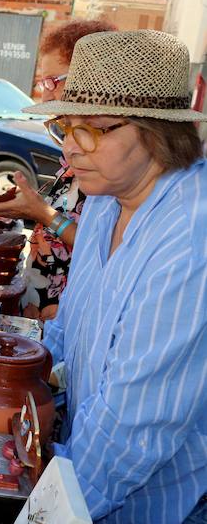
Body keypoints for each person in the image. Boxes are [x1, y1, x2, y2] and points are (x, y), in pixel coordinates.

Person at [20, 30, 206, 522]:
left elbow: (135, 426)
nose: (70, 150)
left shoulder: (190, 232)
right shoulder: (105, 201)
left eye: (92, 130)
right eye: (66, 127)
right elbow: (70, 330)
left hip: (160, 504)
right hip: (87, 471)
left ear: (155, 131)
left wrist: (49, 513)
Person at [0, 19, 116, 321]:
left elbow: (105, 248)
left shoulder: (109, 164)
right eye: (42, 83)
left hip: (67, 308)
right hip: (41, 302)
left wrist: (42, 214)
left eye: (53, 81)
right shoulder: (75, 146)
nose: (44, 94)